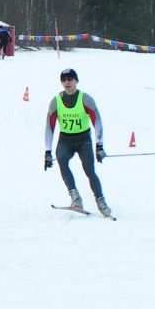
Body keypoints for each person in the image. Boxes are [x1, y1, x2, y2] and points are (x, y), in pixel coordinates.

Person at [44, 68, 112, 217]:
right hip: (65, 140)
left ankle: (101, 201)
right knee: (61, 160)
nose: (67, 82)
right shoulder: (55, 101)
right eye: (64, 80)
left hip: (83, 140)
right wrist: (47, 152)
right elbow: (49, 127)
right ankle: (75, 196)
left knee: (89, 170)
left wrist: (99, 145)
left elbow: (98, 122)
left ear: (76, 81)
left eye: (70, 79)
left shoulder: (85, 99)